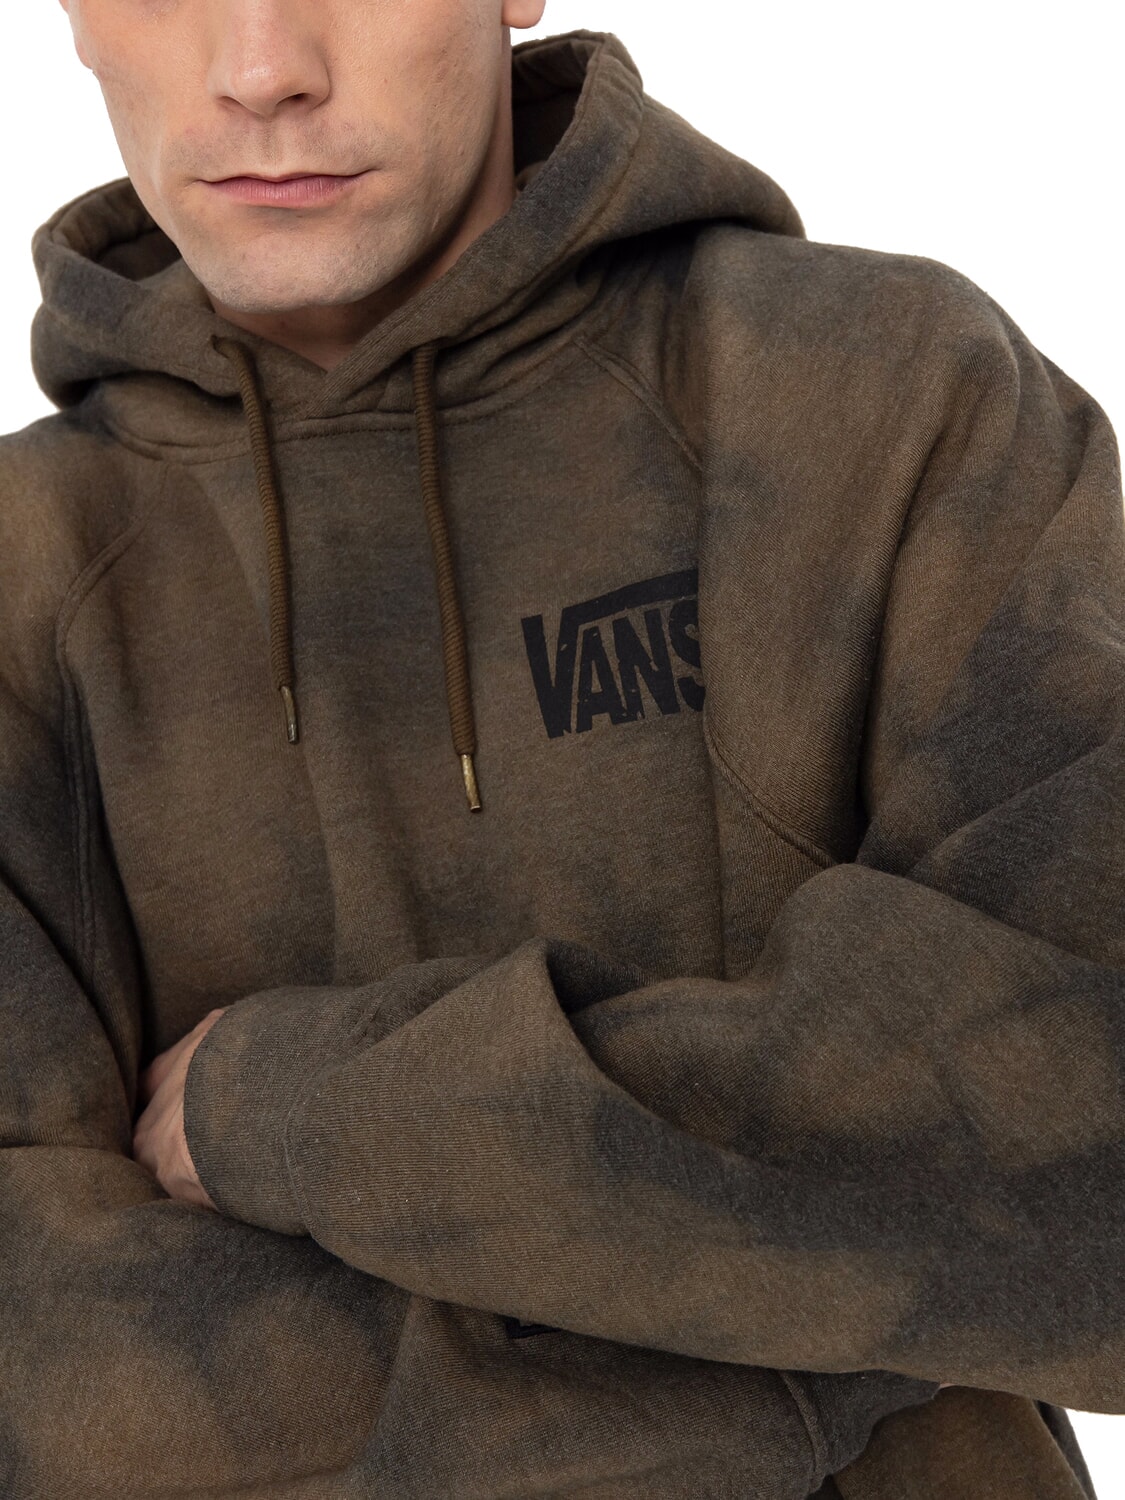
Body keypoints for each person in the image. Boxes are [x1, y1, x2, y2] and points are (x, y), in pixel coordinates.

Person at [0, 1, 1119, 1495]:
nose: (262, 68)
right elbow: (42, 1371)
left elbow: (1089, 1165)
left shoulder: (881, 393)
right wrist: (804, 1357)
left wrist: (296, 1111)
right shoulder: (20, 574)